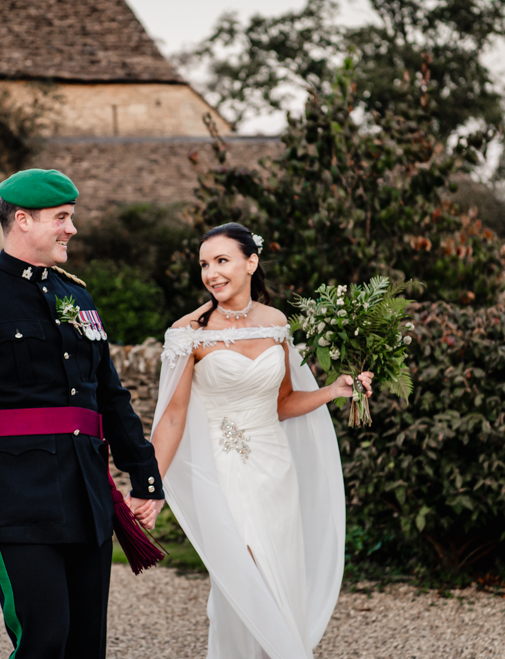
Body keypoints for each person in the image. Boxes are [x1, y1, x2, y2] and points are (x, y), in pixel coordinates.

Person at [0, 168, 164, 659]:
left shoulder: (77, 296)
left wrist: (145, 476)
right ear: (23, 220)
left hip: (86, 494)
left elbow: (109, 396)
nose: (71, 229)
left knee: (85, 646)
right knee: (44, 639)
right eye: (62, 218)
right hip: (14, 498)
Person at [151, 223, 372, 659]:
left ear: (251, 262)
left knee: (279, 575)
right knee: (244, 575)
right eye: (204, 264)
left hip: (275, 470)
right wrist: (151, 486)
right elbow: (173, 416)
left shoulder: (275, 324)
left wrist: (334, 390)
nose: (211, 273)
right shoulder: (188, 333)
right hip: (223, 470)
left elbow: (283, 401)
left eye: (222, 261)